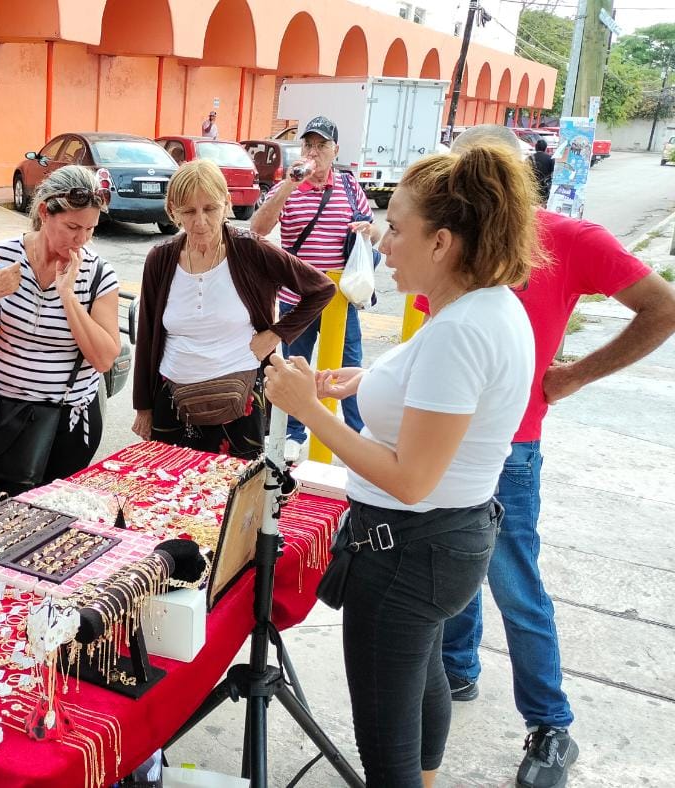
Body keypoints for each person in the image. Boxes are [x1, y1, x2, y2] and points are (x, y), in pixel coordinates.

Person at [264, 142, 540, 786]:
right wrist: (351, 383)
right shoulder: (485, 308)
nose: (382, 243)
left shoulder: (459, 331)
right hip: (445, 541)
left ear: (441, 242)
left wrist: (310, 409)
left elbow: (411, 479)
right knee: (423, 677)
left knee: (387, 739)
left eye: (397, 228)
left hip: (409, 551)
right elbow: (432, 394)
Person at [420, 124, 675, 788]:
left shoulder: (568, 239)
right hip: (441, 443)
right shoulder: (452, 246)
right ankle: (459, 666)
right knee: (453, 565)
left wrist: (576, 374)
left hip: (511, 448)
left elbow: (662, 308)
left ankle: (551, 724)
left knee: (514, 584)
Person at [130, 159, 334, 458]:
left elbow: (321, 289)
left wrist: (275, 335)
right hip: (172, 403)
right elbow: (148, 335)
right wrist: (143, 408)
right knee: (168, 495)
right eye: (188, 211)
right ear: (173, 211)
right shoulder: (160, 259)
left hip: (239, 405)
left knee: (233, 496)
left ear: (226, 203)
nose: (200, 222)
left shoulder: (251, 250)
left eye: (210, 208)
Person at [0, 165, 120, 513]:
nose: (81, 240)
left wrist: (69, 297)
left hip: (68, 423)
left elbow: (104, 358)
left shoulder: (97, 273)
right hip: (4, 418)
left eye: (90, 229)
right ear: (45, 212)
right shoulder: (0, 256)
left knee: (55, 531)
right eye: (72, 227)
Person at [250, 115, 381, 462]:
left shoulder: (351, 188)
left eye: (321, 145)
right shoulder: (288, 187)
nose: (314, 152)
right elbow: (258, 229)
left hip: (341, 301)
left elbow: (376, 232)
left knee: (348, 366)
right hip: (300, 300)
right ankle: (294, 433)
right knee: (296, 366)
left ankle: (358, 435)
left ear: (335, 150)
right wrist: (290, 186)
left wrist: (367, 231)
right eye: (309, 145)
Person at [529, 138, 554, 205]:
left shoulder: (529, 158)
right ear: (545, 148)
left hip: (532, 188)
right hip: (544, 189)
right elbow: (553, 173)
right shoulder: (550, 159)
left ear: (535, 148)